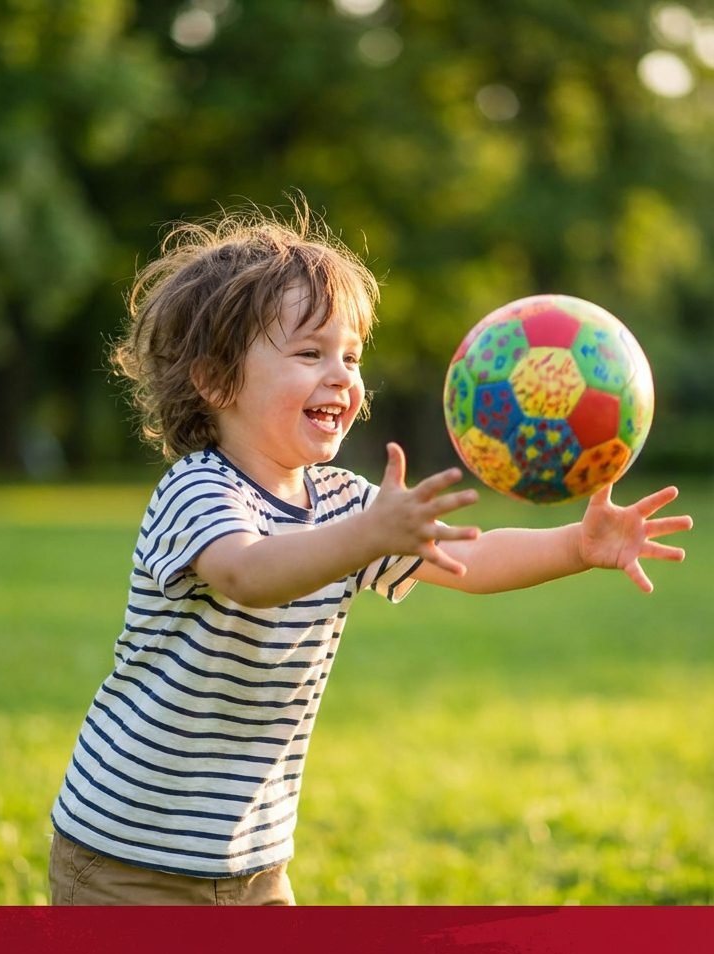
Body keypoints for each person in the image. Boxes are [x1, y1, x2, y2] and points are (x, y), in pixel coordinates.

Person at [48, 200, 693, 907]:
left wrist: (576, 544)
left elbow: (469, 560)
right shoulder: (198, 489)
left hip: (253, 859)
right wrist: (367, 536)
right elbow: (248, 573)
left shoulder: (344, 502)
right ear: (215, 380)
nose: (342, 375)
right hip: (127, 853)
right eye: (308, 353)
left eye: (350, 355)